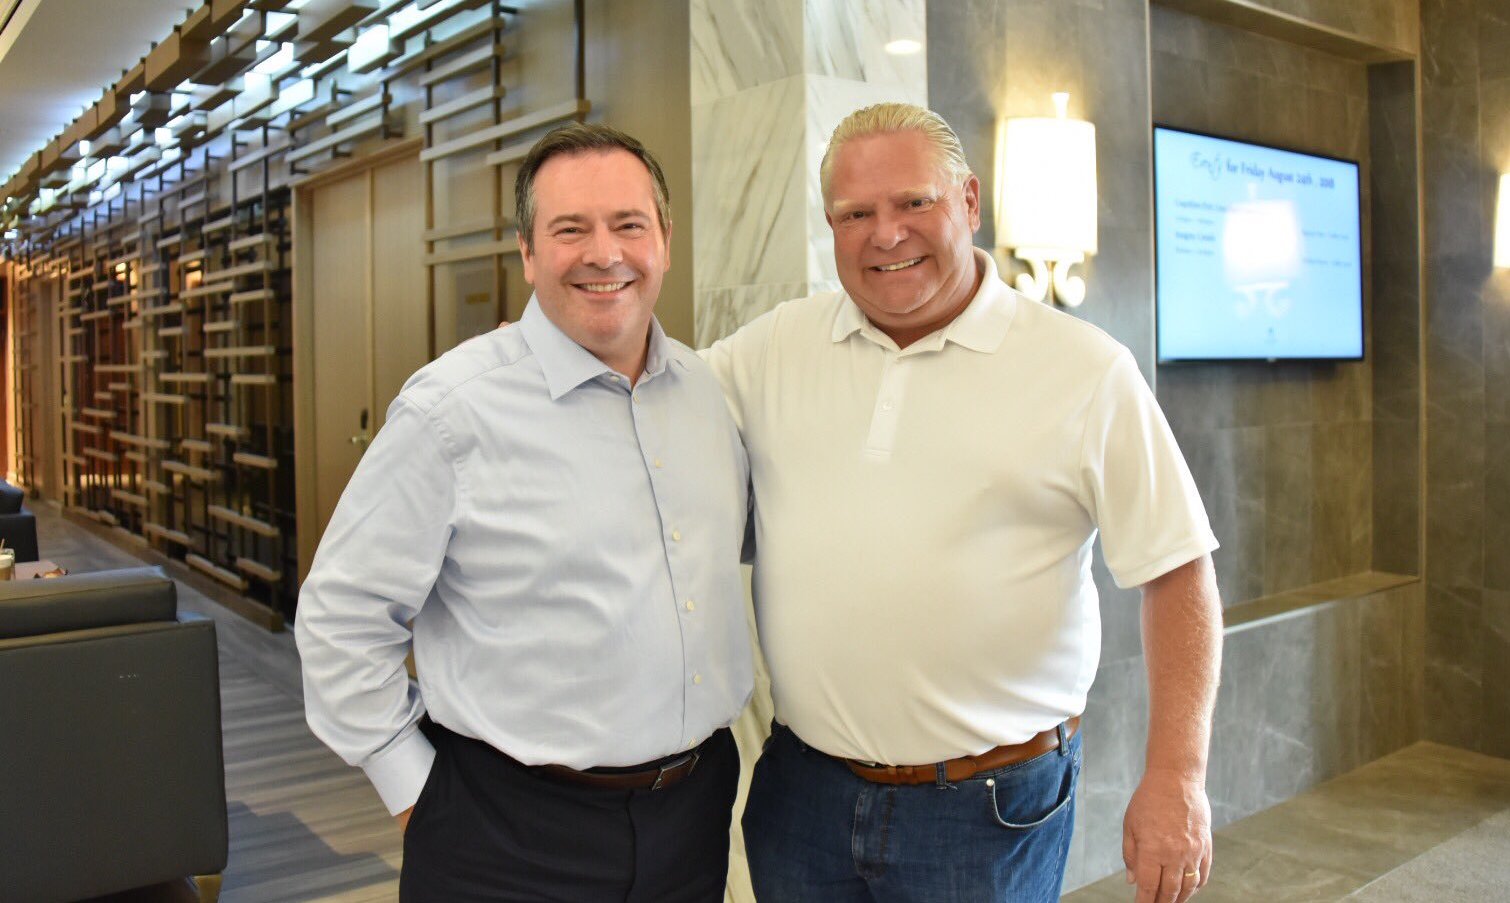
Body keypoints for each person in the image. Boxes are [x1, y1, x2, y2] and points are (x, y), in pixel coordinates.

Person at [704, 103, 1223, 903]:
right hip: (804, 795)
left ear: (971, 203)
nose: (886, 232)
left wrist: (1178, 773)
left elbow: (1178, 569)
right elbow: (648, 402)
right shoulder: (774, 347)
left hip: (985, 816)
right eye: (856, 213)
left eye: (914, 202)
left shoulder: (1083, 369)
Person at [295, 123, 754, 902]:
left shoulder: (708, 397)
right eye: (569, 229)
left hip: (693, 816)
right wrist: (418, 797)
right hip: (506, 836)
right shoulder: (452, 410)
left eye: (628, 225)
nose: (603, 253)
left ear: (665, 240)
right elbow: (340, 620)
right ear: (528, 252)